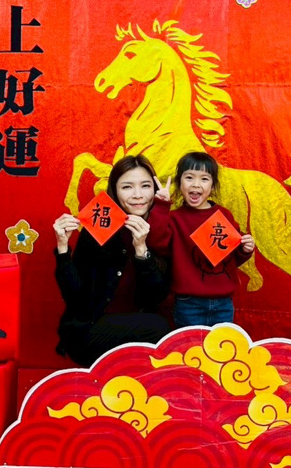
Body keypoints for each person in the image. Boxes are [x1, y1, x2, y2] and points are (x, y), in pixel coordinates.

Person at [53, 155, 171, 367]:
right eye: (127, 187)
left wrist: (141, 250)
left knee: (167, 329)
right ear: (115, 191)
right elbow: (74, 296)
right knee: (158, 328)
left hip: (138, 326)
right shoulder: (100, 225)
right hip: (91, 328)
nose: (138, 195)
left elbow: (156, 296)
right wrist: (63, 249)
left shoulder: (161, 229)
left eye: (145, 186)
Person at [147, 151, 254, 327]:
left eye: (204, 179)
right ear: (179, 183)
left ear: (212, 186)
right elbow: (155, 243)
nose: (196, 184)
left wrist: (245, 250)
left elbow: (231, 260)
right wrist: (161, 205)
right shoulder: (174, 218)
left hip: (223, 302)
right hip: (188, 303)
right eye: (189, 177)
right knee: (190, 344)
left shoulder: (223, 216)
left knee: (220, 344)